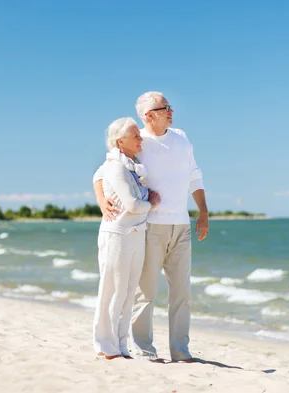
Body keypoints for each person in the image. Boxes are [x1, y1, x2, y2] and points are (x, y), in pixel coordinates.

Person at [93, 91, 209, 362]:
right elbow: (101, 172)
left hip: (181, 225)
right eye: (164, 107)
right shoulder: (137, 142)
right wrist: (102, 201)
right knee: (145, 293)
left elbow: (195, 175)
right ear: (148, 115)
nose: (171, 111)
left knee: (182, 294)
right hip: (150, 227)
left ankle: (181, 352)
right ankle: (144, 350)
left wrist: (203, 211)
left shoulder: (181, 137)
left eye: (170, 106)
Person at [93, 117, 161, 360]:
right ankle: (105, 345)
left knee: (128, 291)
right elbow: (131, 205)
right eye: (135, 136)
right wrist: (151, 204)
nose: (140, 138)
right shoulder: (116, 166)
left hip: (136, 235)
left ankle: (120, 345)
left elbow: (96, 178)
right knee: (112, 290)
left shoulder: (133, 165)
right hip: (117, 236)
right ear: (120, 141)